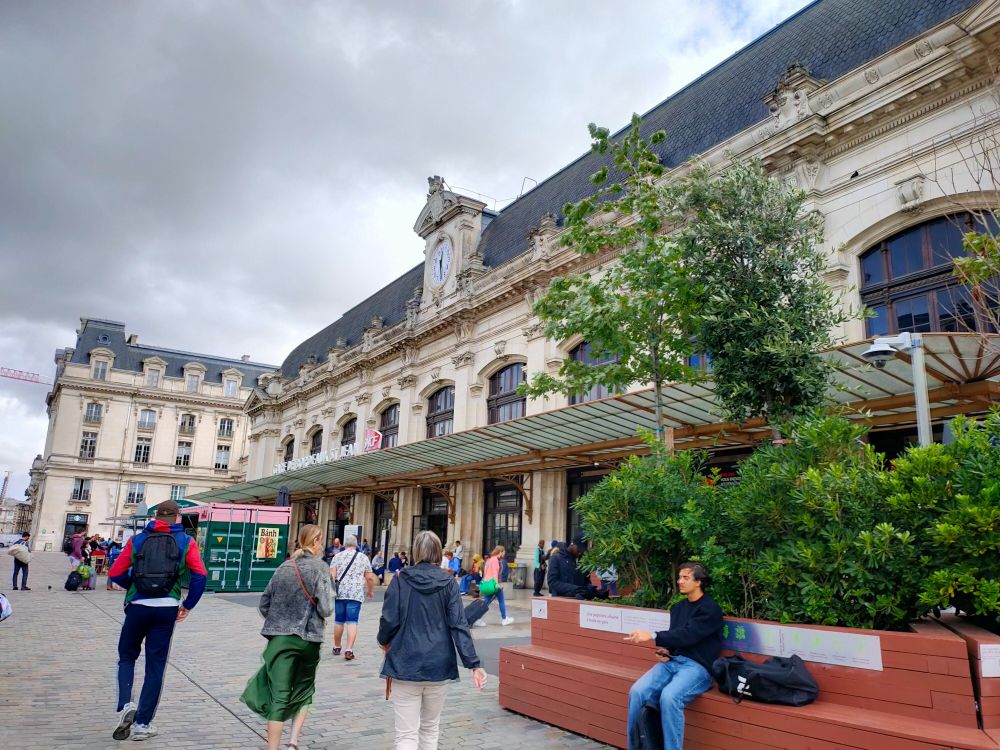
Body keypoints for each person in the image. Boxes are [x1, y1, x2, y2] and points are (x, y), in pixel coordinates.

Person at [108, 499, 207, 741]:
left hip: (138, 606)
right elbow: (200, 576)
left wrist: (133, 586)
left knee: (127, 657)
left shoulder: (139, 539)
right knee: (156, 665)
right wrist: (188, 605)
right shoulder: (185, 541)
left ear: (156, 517)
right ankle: (143, 724)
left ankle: (125, 704)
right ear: (177, 517)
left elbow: (115, 572)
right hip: (167, 608)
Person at [377, 530, 486, 749]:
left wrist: (383, 641)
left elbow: (389, 620)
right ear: (438, 552)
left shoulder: (400, 580)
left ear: (415, 551)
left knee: (406, 735)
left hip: (405, 662)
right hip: (438, 663)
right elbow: (459, 624)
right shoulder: (448, 582)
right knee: (429, 728)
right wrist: (473, 664)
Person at [241, 524, 334, 750]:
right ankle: (293, 743)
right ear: (315, 542)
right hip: (309, 638)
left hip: (280, 639)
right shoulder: (320, 568)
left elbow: (264, 604)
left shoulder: (283, 567)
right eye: (320, 540)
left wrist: (279, 619)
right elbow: (327, 608)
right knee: (304, 690)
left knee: (279, 696)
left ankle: (272, 748)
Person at [624, 562, 723, 750]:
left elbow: (689, 634)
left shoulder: (710, 609)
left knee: (670, 697)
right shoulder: (677, 608)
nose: (680, 581)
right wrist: (666, 651)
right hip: (673, 663)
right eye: (679, 577)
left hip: (698, 668)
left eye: (685, 578)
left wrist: (653, 635)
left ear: (699, 582)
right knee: (637, 692)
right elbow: (676, 639)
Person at [328, 535, 376, 660]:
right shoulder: (363, 557)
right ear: (356, 545)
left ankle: (337, 646)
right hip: (355, 593)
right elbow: (370, 577)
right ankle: (349, 649)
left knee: (339, 620)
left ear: (344, 545)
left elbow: (331, 577)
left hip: (340, 593)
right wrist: (370, 591)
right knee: (352, 621)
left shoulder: (337, 557)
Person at [547, 533, 596, 599]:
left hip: (578, 602)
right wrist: (575, 589)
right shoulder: (556, 558)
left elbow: (586, 581)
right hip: (561, 602)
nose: (580, 553)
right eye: (579, 550)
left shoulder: (582, 561)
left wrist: (592, 590)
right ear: (572, 544)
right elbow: (552, 582)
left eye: (582, 551)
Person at [476, 545, 514, 627]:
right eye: (503, 552)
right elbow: (495, 573)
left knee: (486, 602)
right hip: (494, 584)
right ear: (500, 552)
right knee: (501, 601)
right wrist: (497, 585)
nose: (504, 554)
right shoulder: (495, 560)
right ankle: (504, 619)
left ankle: (477, 618)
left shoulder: (489, 560)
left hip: (488, 583)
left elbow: (486, 572)